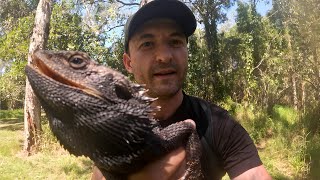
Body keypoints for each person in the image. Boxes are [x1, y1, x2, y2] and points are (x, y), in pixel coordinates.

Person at [92, 0, 272, 179]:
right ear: (128, 63)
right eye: (147, 44)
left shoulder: (218, 124)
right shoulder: (113, 129)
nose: (164, 56)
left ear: (187, 52)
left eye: (175, 41)